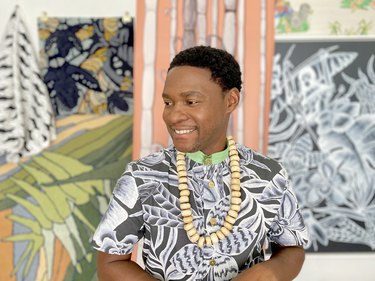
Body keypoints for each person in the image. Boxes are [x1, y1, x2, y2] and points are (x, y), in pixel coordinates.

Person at [91, 45, 309, 281]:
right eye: (168, 103)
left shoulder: (269, 176)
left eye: (191, 102)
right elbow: (111, 262)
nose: (174, 115)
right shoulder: (142, 177)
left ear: (230, 101)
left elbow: (292, 248)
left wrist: (268, 272)